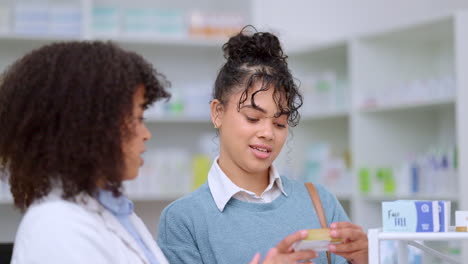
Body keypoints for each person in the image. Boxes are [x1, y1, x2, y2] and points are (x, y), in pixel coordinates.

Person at [0, 41, 317, 264]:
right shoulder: (57, 229)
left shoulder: (115, 214)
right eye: (136, 118)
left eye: (279, 121)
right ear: (86, 127)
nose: (145, 132)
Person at [157, 28, 369, 264]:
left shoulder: (320, 202)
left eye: (279, 123)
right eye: (252, 118)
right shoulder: (184, 220)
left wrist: (367, 259)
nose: (268, 133)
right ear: (217, 112)